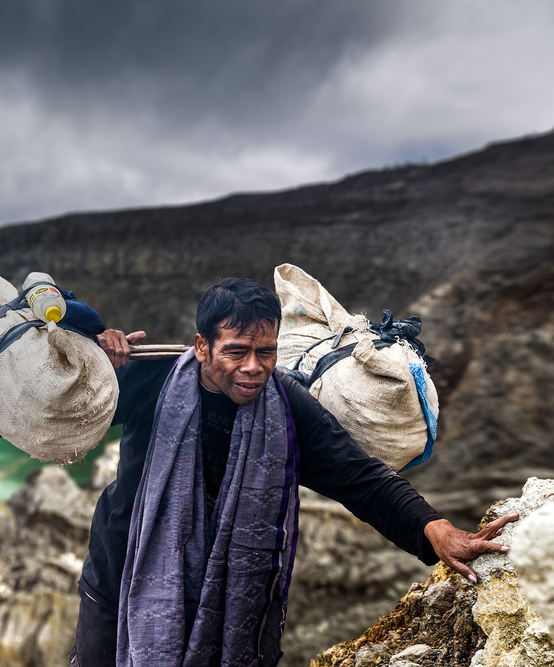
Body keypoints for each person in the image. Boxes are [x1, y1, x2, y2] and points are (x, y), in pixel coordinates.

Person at [71, 277, 517, 666]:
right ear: (202, 346)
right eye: (236, 351)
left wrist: (434, 529)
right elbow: (63, 411)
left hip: (226, 604)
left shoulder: (284, 407)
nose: (253, 367)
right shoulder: (150, 380)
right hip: (120, 585)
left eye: (266, 352)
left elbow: (358, 477)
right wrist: (96, 359)